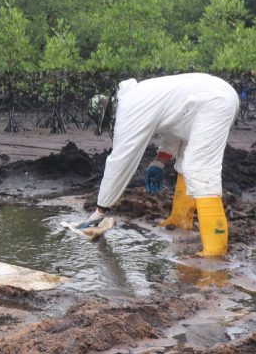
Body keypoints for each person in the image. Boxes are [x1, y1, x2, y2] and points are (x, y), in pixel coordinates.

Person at [78, 73, 239, 258]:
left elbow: (120, 161)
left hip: (214, 103)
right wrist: (159, 162)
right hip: (213, 98)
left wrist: (100, 209)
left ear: (108, 114)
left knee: (200, 170)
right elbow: (176, 124)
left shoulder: (128, 109)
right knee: (187, 161)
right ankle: (180, 220)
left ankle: (215, 250)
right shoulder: (141, 96)